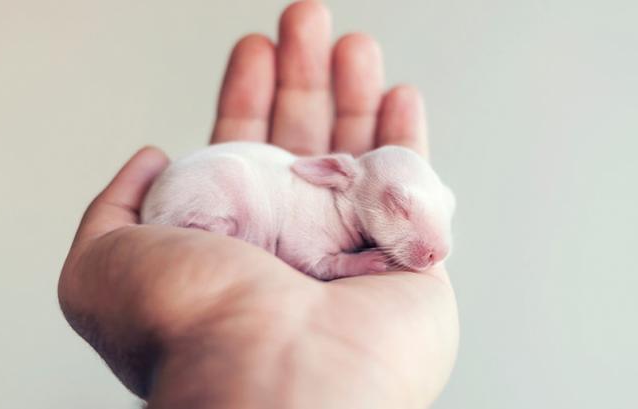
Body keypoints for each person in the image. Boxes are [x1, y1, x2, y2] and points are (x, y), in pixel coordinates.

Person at [58, 1, 458, 407]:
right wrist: (345, 265)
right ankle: (204, 226)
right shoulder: (322, 201)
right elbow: (308, 254)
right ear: (338, 175)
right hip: (200, 194)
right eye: (399, 207)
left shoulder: (347, 208)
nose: (435, 251)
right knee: (231, 177)